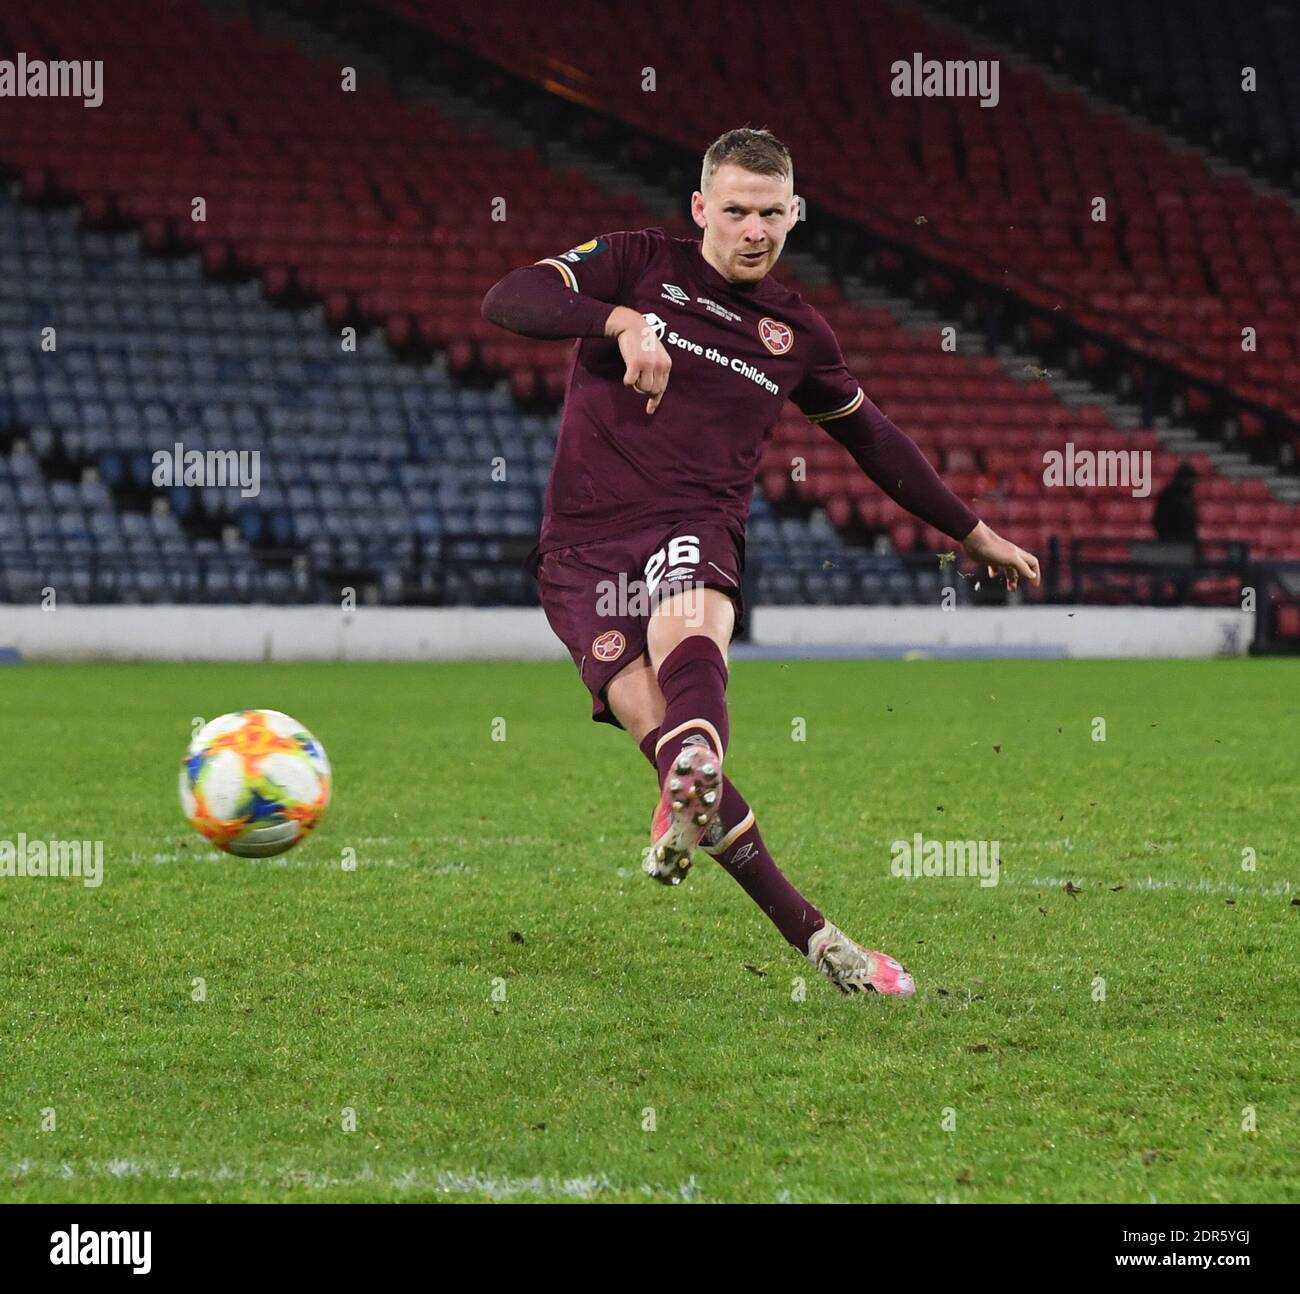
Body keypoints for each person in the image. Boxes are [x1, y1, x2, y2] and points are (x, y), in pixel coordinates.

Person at [481, 128, 1039, 997]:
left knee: (688, 614)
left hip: (695, 518)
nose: (754, 230)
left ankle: (700, 776)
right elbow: (510, 299)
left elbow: (873, 438)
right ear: (701, 208)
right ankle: (810, 928)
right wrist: (623, 322)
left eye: (771, 213)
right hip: (581, 550)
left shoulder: (796, 334)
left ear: (794, 214)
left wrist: (970, 532)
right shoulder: (633, 263)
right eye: (735, 211)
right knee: (652, 728)